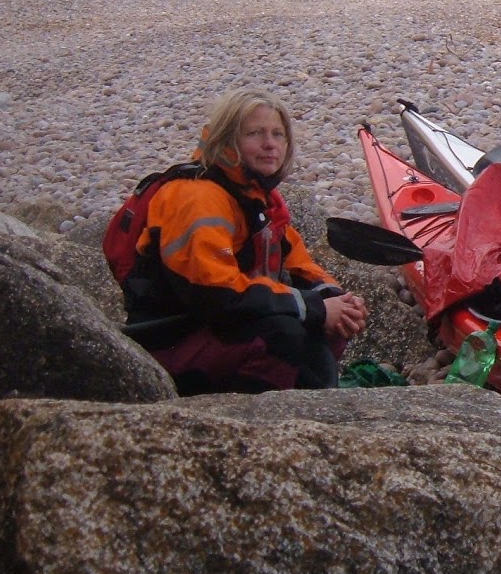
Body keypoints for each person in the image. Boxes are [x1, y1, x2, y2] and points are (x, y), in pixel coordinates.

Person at [124, 88, 367, 394]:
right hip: (172, 338)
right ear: (227, 140)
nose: (270, 144)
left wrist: (338, 300)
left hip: (222, 329)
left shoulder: (257, 199)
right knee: (284, 333)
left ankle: (309, 410)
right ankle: (253, 425)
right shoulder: (195, 197)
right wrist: (314, 307)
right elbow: (215, 293)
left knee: (330, 320)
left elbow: (299, 265)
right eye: (255, 133)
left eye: (278, 135)